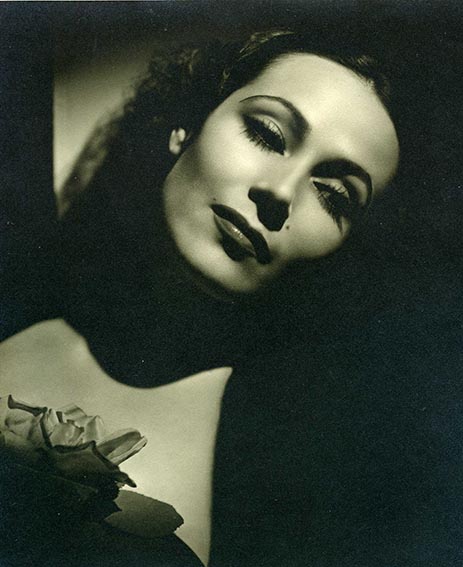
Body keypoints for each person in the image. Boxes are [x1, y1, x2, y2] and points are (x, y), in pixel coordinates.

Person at [0, 30, 399, 566]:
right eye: (266, 133)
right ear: (186, 125)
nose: (279, 192)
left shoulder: (305, 466)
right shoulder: (18, 290)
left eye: (333, 195)